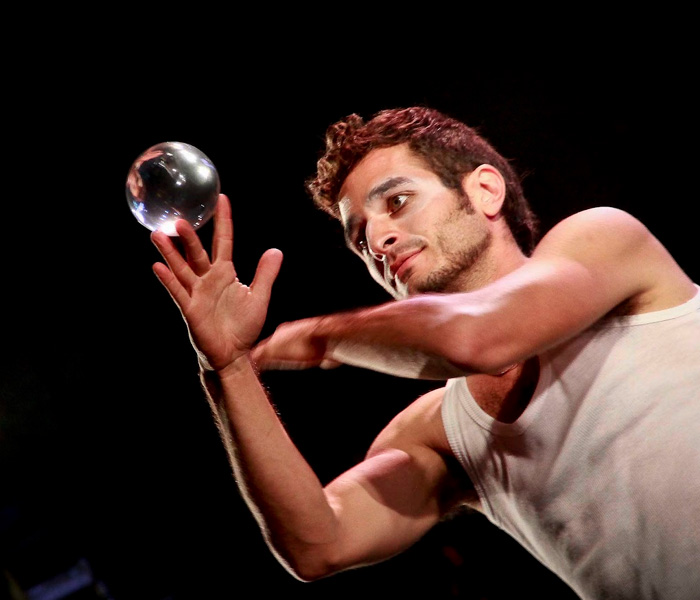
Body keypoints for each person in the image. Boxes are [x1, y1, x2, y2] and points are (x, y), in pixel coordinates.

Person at [150, 106, 700, 599]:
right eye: (360, 238)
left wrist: (320, 335)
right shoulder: (437, 433)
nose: (379, 241)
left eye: (397, 201)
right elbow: (318, 544)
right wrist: (228, 368)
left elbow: (480, 338)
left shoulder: (604, 238)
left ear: (484, 191)